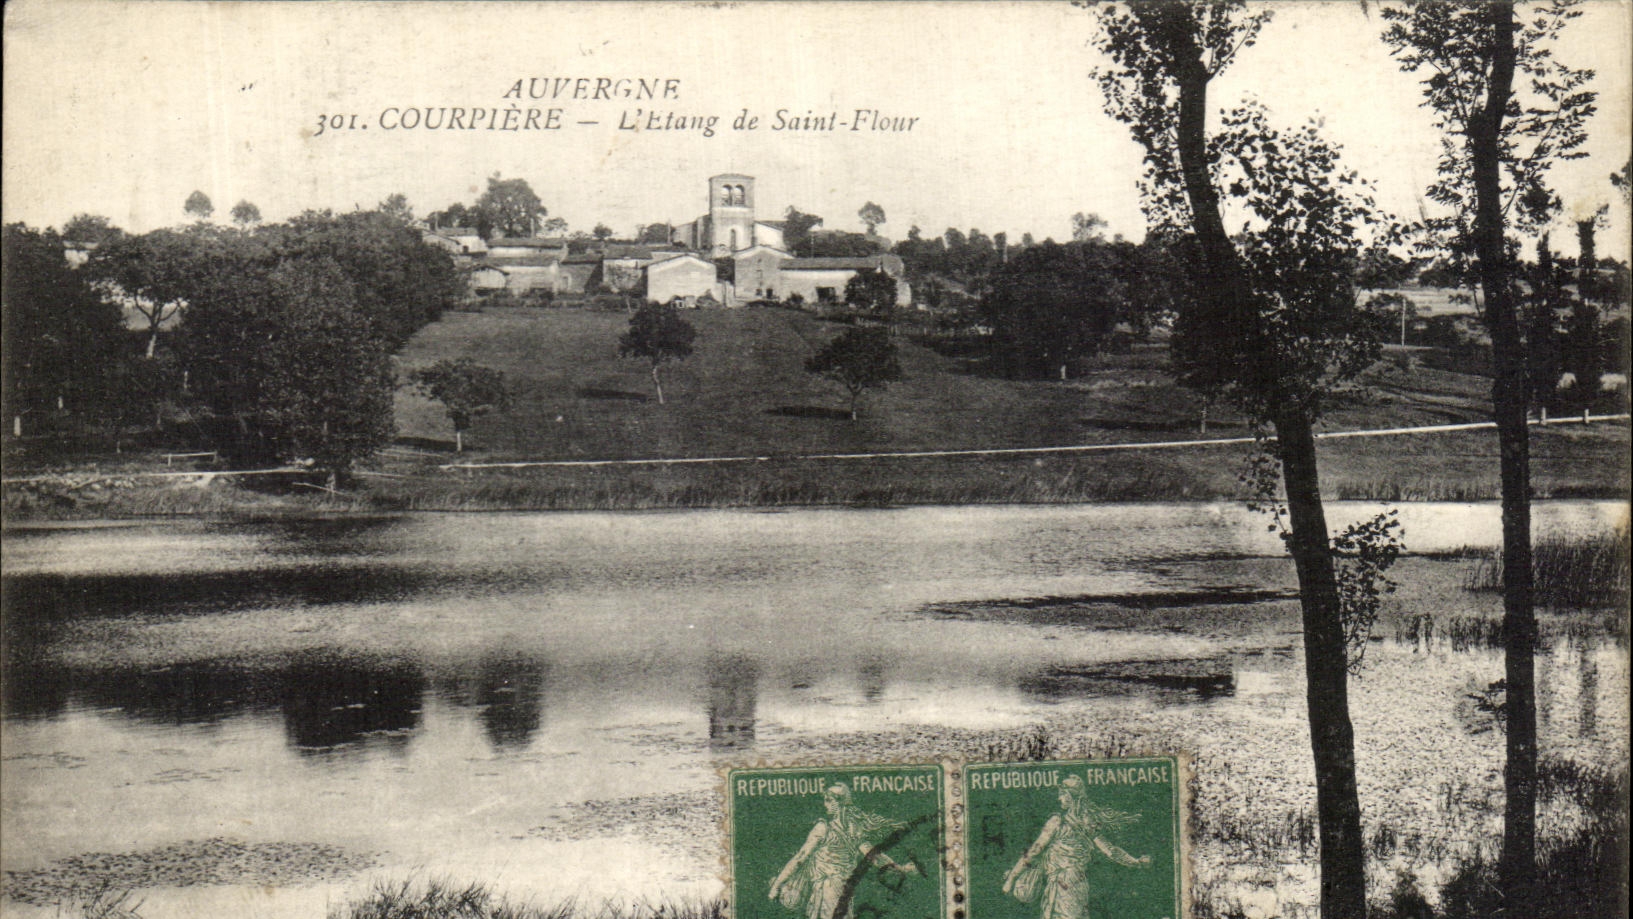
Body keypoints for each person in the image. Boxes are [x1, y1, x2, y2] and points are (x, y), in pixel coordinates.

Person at [1001, 775, 1150, 919]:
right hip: (1078, 883)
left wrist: (1012, 878)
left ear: (1070, 796)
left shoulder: (1057, 821)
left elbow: (1034, 851)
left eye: (1062, 794)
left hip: (1062, 885)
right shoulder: (1088, 824)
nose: (1059, 798)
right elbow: (1110, 851)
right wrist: (1135, 862)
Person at [769, 783, 920, 919]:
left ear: (839, 803)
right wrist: (900, 868)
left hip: (827, 892)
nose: (825, 804)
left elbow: (800, 858)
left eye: (829, 800)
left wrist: (776, 885)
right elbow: (874, 856)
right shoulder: (853, 831)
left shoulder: (823, 828)